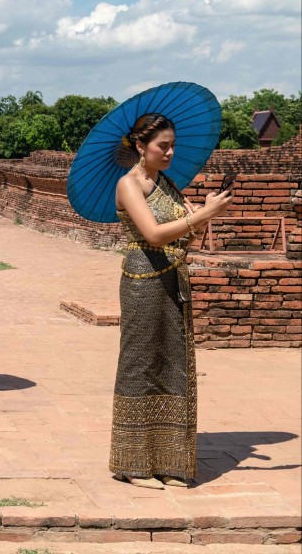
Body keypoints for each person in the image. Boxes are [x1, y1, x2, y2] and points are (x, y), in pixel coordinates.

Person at [110, 113, 232, 489]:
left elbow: (184, 239)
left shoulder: (168, 183)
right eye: (163, 146)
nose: (170, 152)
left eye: (172, 145)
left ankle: (167, 460)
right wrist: (203, 216)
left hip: (174, 278)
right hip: (142, 281)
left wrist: (203, 215)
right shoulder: (129, 184)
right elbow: (153, 235)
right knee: (141, 363)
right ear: (140, 146)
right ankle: (132, 462)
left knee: (173, 362)